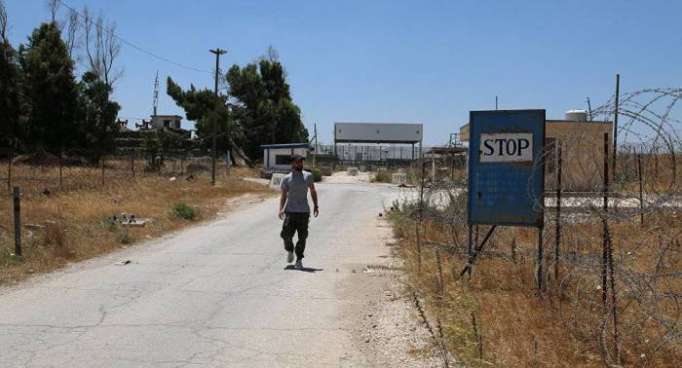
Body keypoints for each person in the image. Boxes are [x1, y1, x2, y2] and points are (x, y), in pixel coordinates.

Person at [278, 154, 319, 269]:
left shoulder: (308, 176)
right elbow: (283, 195)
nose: (300, 164)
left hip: (303, 212)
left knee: (302, 237)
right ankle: (290, 250)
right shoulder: (286, 178)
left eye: (301, 162)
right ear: (293, 163)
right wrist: (281, 209)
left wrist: (316, 205)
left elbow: (312, 190)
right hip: (290, 211)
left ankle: (299, 259)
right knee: (285, 235)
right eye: (297, 162)